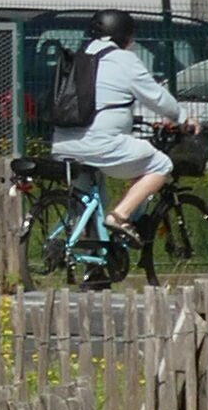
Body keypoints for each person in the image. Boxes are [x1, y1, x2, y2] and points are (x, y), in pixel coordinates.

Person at [66, 17, 190, 248]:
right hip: (102, 145)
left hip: (65, 143)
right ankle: (120, 216)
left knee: (93, 205)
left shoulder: (79, 56)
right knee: (161, 165)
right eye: (131, 38)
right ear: (124, 37)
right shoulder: (122, 59)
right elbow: (155, 95)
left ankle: (95, 269)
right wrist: (181, 118)